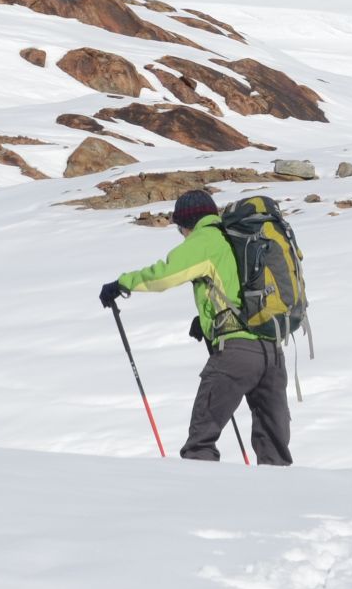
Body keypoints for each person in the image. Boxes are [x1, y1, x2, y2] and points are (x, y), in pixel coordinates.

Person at [99, 189, 291, 466]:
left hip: (237, 354)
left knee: (201, 441)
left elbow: (165, 275)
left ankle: (200, 490)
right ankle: (280, 490)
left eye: (180, 229)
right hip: (272, 349)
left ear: (187, 224)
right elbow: (236, 288)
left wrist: (122, 284)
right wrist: (206, 321)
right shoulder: (235, 237)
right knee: (274, 446)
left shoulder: (205, 239)